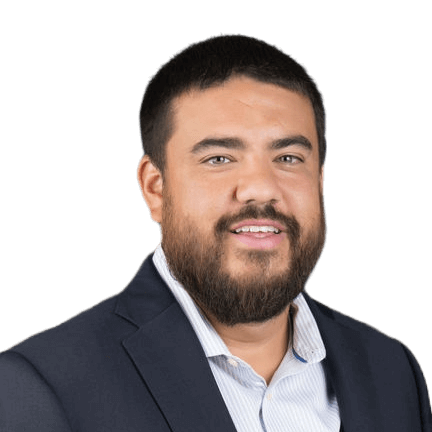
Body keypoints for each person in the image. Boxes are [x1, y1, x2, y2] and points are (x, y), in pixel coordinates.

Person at [0, 34, 430, 432]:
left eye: (288, 157)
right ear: (156, 188)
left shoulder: (392, 369)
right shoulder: (40, 386)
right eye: (220, 159)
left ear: (320, 181)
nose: (262, 187)